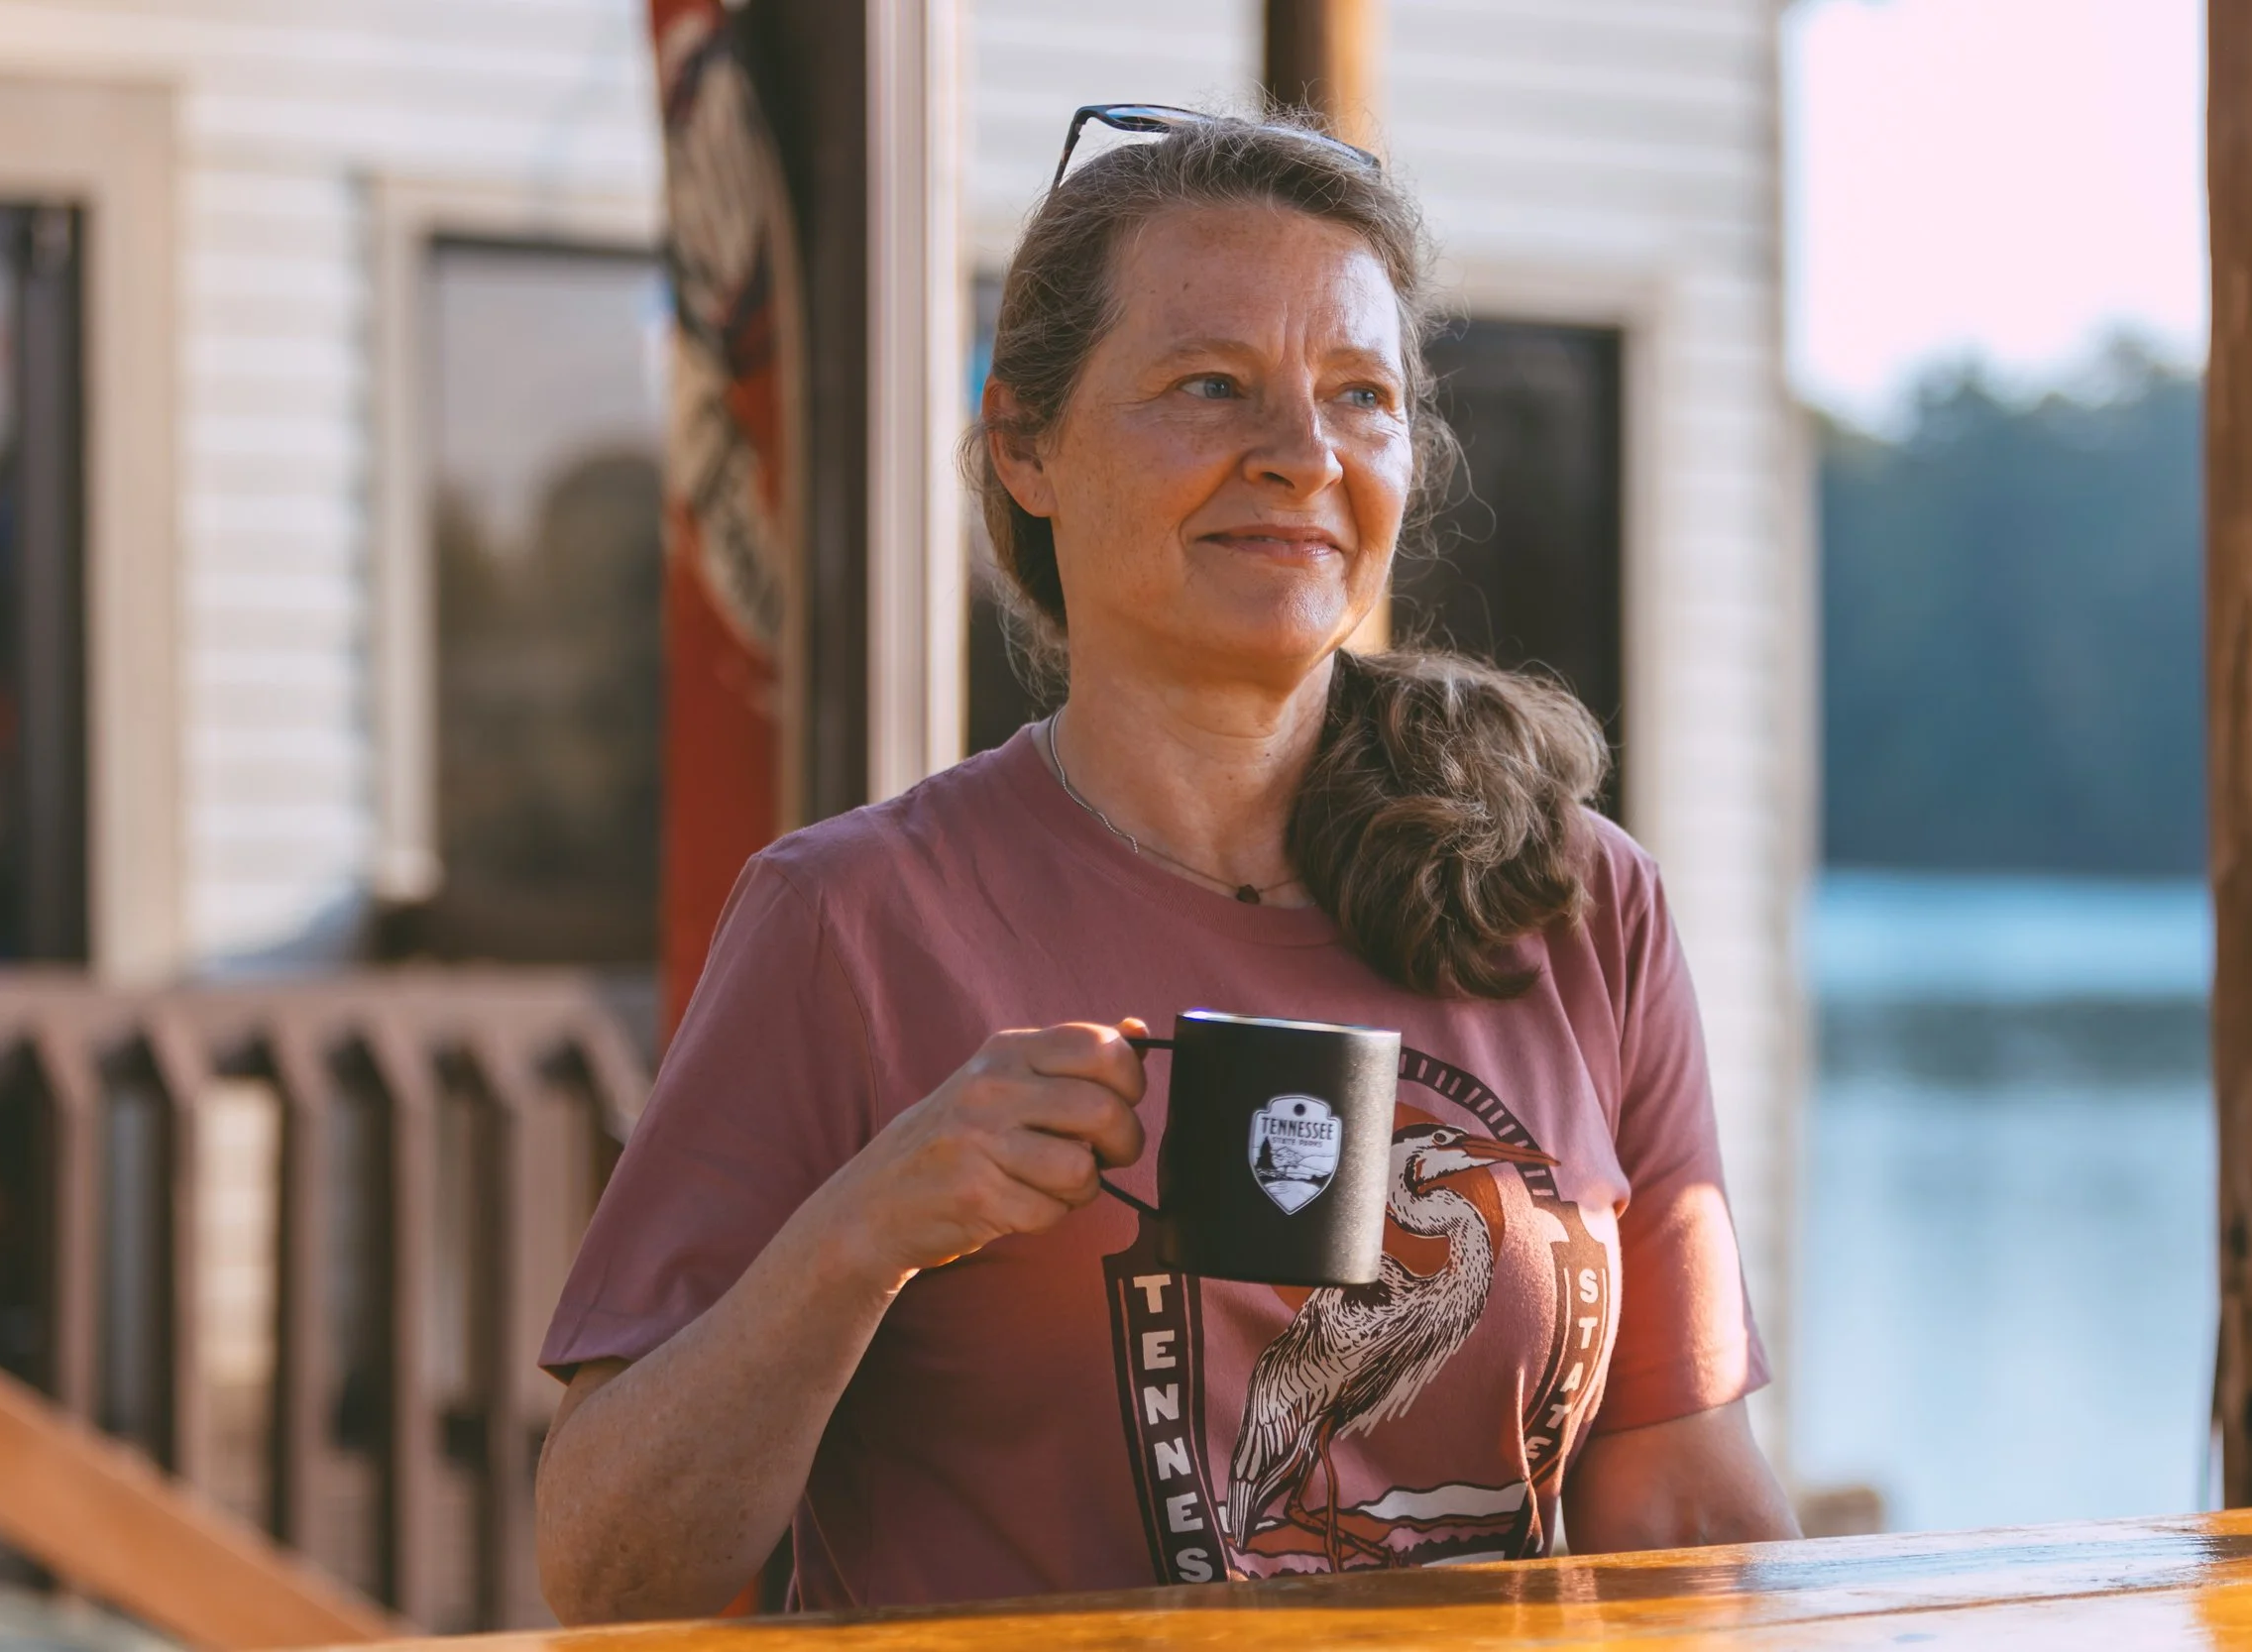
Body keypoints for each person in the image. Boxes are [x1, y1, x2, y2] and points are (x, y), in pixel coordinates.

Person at [533, 107, 1797, 1623]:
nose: (1301, 457)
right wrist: (863, 1232)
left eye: (1360, 397)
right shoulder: (854, 920)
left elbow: (1687, 1498)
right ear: (1025, 444)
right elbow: (611, 1574)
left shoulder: (1579, 900)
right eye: (1211, 387)